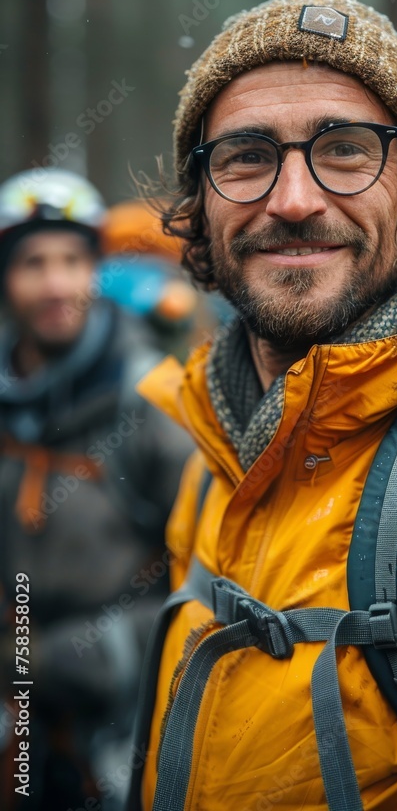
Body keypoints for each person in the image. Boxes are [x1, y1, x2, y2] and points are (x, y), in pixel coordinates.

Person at [133, 0, 397, 810]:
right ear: (200, 202)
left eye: (346, 149)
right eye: (246, 156)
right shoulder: (213, 453)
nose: (293, 200)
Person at [0, 169, 193, 810]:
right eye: (33, 263)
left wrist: (68, 657)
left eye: (72, 261)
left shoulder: (151, 398)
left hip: (123, 731)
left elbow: (208, 581)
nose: (56, 284)